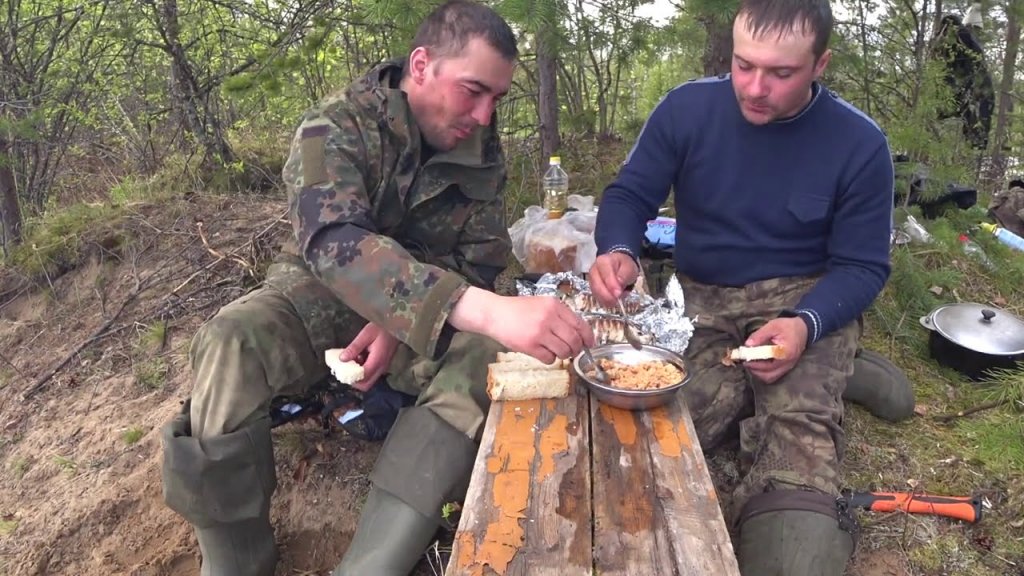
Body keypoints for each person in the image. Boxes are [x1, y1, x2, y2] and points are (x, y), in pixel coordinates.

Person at [159, 2, 594, 575]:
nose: (485, 116)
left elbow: (480, 262)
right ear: (421, 65)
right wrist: (471, 307)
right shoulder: (334, 126)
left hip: (423, 316)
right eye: (472, 91)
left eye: (497, 99)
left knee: (488, 357)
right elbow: (332, 243)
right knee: (229, 343)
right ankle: (236, 562)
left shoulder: (480, 154)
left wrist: (404, 325)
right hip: (321, 296)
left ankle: (371, 565)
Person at [588, 0, 897, 574]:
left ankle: (830, 356)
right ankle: (842, 364)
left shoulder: (858, 143)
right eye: (743, 65)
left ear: (820, 64)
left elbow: (862, 266)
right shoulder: (686, 110)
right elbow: (630, 195)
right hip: (700, 301)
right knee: (674, 421)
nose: (755, 88)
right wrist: (619, 249)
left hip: (800, 299)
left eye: (781, 73)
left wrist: (807, 326)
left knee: (793, 438)